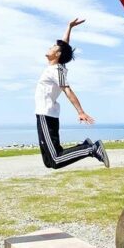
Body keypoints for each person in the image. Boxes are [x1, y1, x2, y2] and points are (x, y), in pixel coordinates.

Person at [35, 18, 109, 169]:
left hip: (46, 115)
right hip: (46, 115)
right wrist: (69, 27)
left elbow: (67, 89)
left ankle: (92, 148)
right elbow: (65, 45)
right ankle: (87, 146)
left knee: (55, 160)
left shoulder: (56, 70)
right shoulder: (57, 66)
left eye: (53, 47)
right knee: (49, 162)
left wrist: (80, 111)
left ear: (57, 54)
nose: (50, 47)